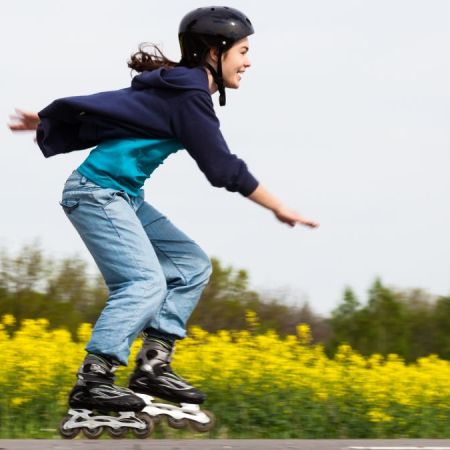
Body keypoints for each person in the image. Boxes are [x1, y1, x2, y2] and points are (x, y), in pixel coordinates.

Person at [9, 5, 319, 435]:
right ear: (216, 51)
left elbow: (117, 109)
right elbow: (222, 168)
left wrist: (50, 119)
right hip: (96, 194)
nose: (248, 62)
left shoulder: (178, 88)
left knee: (191, 265)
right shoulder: (188, 94)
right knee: (143, 282)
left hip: (122, 197)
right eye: (243, 51)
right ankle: (94, 379)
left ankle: (154, 364)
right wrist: (278, 206)